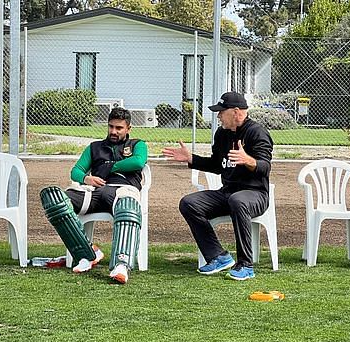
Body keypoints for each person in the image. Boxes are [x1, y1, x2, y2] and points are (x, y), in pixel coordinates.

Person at [162, 91, 273, 281]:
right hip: (227, 193)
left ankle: (246, 264)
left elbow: (265, 167)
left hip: (255, 195)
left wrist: (248, 160)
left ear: (236, 112)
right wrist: (191, 159)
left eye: (222, 111)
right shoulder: (222, 134)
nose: (219, 115)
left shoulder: (257, 132)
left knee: (238, 200)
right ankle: (218, 256)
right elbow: (216, 165)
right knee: (189, 203)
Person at [40, 107, 148, 284]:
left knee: (128, 208)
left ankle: (121, 264)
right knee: (54, 198)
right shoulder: (95, 147)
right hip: (94, 192)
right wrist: (86, 178)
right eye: (111, 126)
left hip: (123, 191)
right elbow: (75, 171)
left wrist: (111, 167)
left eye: (119, 128)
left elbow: (138, 161)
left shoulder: (137, 144)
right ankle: (87, 253)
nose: (113, 131)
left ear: (129, 128)